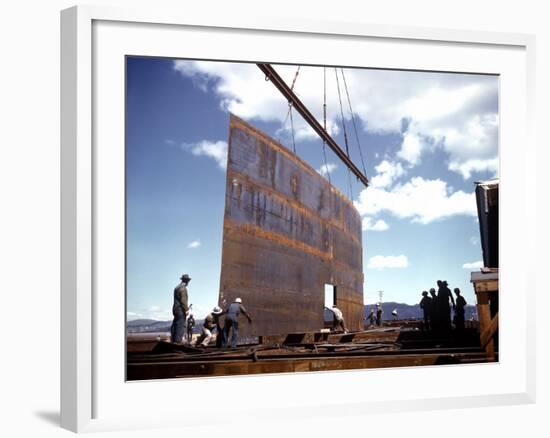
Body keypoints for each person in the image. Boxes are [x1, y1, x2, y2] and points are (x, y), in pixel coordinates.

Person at [170, 274, 190, 343]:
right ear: (187, 281)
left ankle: (173, 339)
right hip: (180, 309)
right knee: (180, 325)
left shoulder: (176, 288)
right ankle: (177, 342)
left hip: (175, 309)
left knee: (175, 324)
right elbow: (183, 300)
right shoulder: (183, 288)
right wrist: (186, 309)